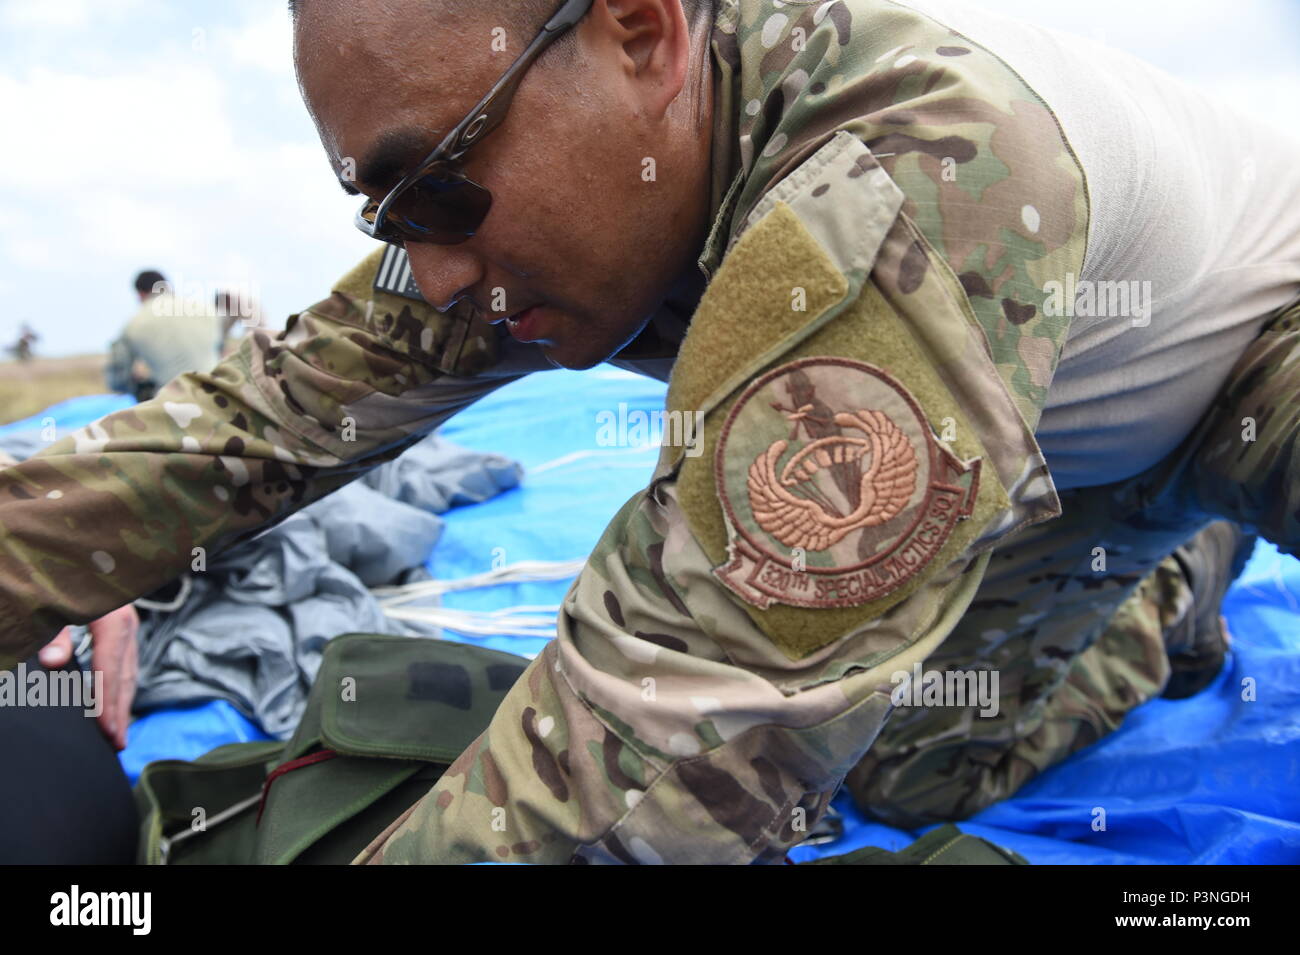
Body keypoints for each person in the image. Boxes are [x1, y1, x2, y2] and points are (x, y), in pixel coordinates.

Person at [0, 0, 1297, 864]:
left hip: (1253, 357)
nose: (435, 271)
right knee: (910, 775)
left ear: (641, 33)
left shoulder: (903, 169)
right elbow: (242, 427)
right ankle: (1168, 587)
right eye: (388, 213)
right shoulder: (518, 202)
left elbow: (671, 740)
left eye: (438, 183)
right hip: (1066, 465)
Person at [105, 270, 224, 402]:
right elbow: (219, 350)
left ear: (140, 294)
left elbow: (117, 379)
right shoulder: (206, 309)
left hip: (173, 404)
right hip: (217, 396)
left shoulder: (134, 324)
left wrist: (139, 385)